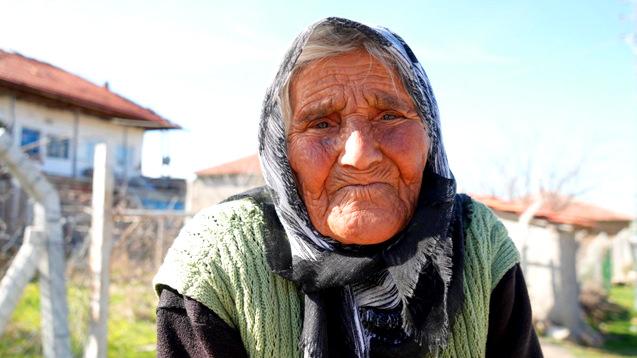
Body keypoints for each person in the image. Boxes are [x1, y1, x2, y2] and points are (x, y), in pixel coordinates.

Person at [154, 17, 543, 358]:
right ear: (281, 151)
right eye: (322, 123)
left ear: (430, 136)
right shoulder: (219, 261)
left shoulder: (477, 244)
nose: (359, 156)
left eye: (390, 116)